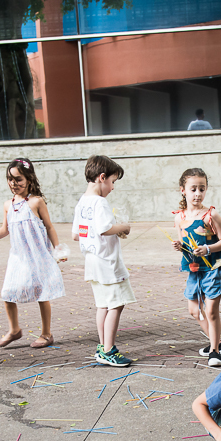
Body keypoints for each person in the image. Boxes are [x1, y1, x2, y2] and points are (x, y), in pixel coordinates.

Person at [0, 157, 66, 348]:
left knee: (42, 293)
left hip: (37, 255)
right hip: (18, 256)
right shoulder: (8, 205)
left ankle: (47, 334)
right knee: (8, 293)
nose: (14, 184)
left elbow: (49, 227)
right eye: (10, 179)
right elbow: (4, 229)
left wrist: (57, 249)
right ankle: (14, 330)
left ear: (29, 180)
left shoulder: (36, 202)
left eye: (18, 180)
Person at [72, 155, 134, 367]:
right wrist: (123, 227)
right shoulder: (100, 202)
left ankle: (102, 346)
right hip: (107, 262)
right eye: (113, 181)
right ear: (102, 177)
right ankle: (108, 350)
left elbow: (76, 234)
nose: (113, 187)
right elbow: (105, 228)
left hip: (92, 261)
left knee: (103, 305)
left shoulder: (82, 202)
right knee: (116, 304)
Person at [171, 168, 221, 368]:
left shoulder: (211, 215)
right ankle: (218, 341)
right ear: (183, 190)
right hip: (194, 269)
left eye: (202, 189)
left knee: (211, 310)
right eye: (193, 189)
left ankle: (214, 351)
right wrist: (180, 246)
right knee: (195, 311)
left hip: (214, 267)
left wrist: (208, 248)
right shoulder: (179, 217)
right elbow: (186, 243)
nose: (197, 193)